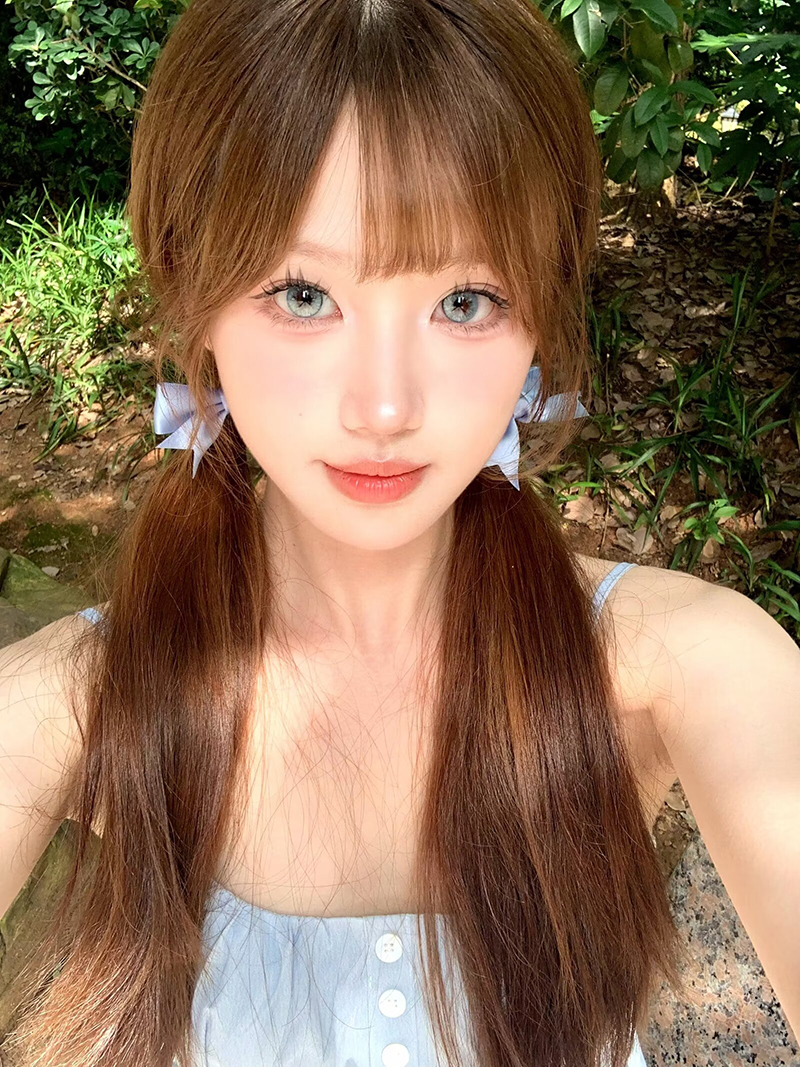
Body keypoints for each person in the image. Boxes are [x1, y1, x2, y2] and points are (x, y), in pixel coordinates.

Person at [1, 1, 798, 1065]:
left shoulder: (683, 664)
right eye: (302, 293)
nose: (384, 407)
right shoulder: (74, 699)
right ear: (192, 292)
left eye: (465, 301)